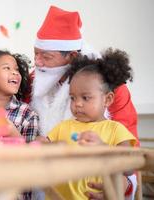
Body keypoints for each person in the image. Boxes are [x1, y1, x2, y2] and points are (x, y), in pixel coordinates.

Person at [23, 5, 139, 199]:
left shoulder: (110, 86)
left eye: (46, 56)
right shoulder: (33, 81)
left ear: (72, 56)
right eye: (36, 53)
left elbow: (128, 162)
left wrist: (118, 186)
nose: (37, 62)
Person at [46, 48, 137, 200]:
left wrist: (104, 148)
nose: (77, 104)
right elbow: (44, 146)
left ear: (107, 99)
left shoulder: (116, 129)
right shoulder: (63, 126)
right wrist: (41, 143)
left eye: (85, 98)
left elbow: (129, 168)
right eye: (73, 98)